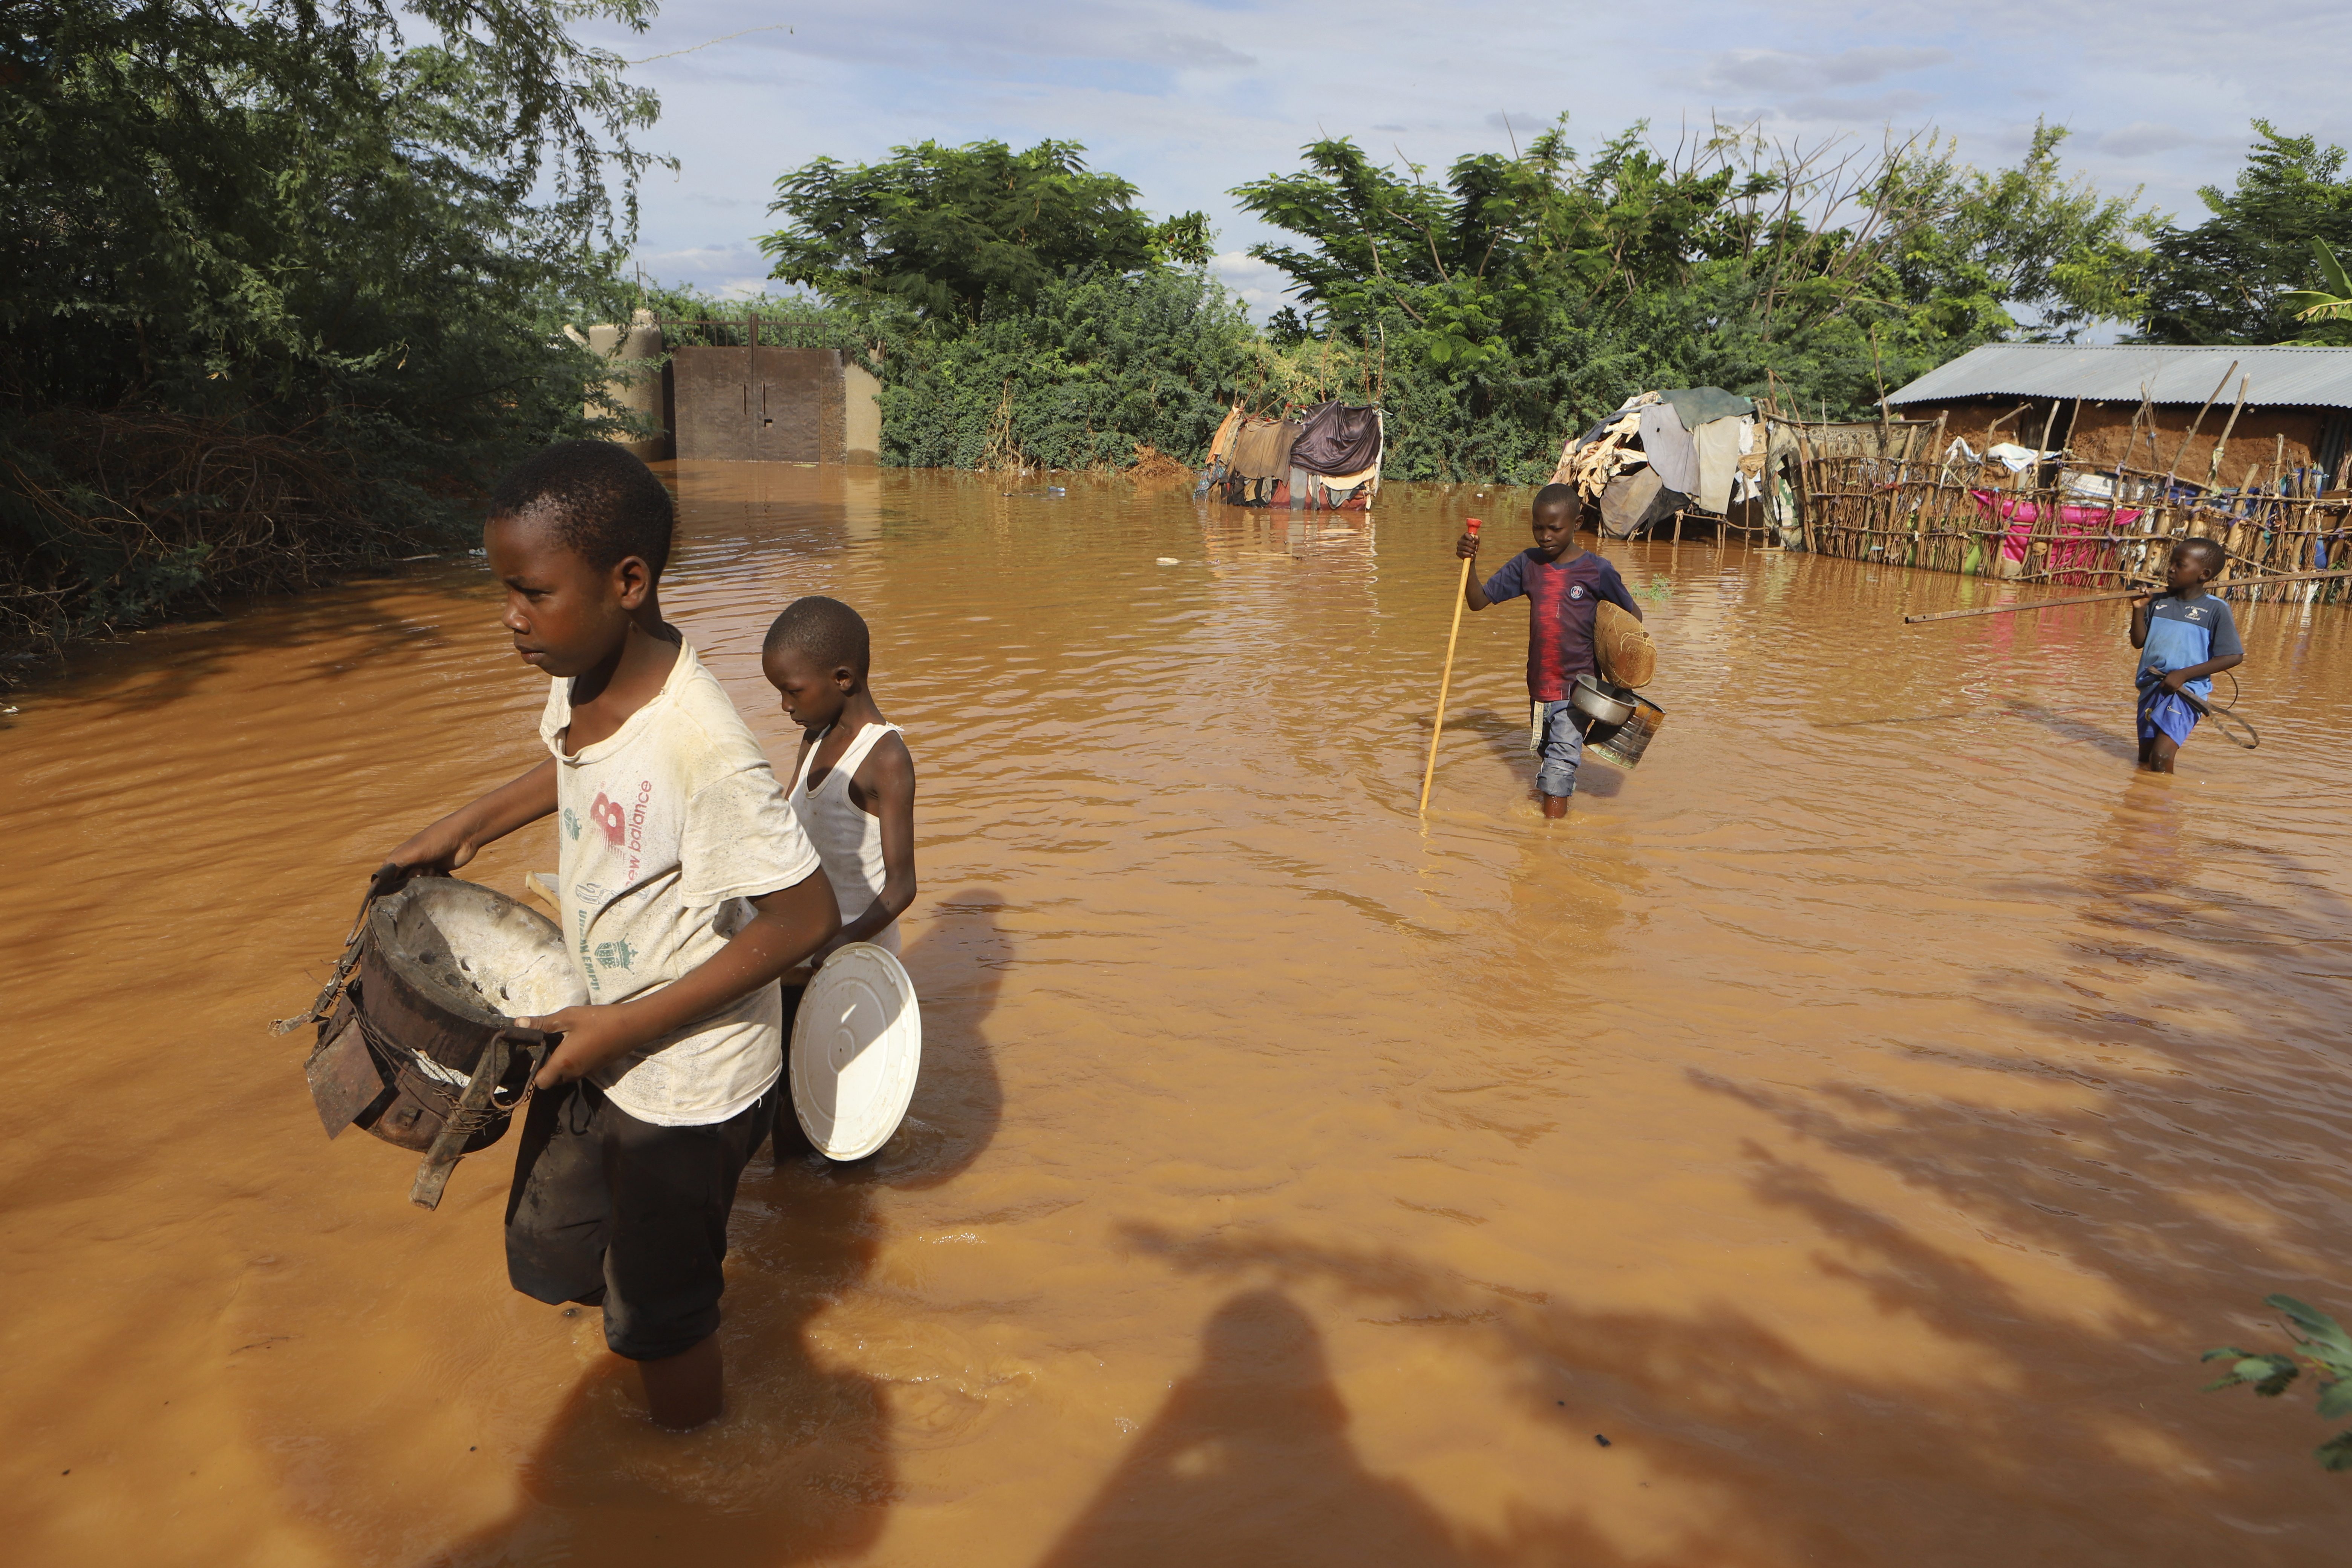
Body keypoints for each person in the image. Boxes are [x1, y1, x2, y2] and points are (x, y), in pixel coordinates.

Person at [374, 440, 840, 1431]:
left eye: (531, 592)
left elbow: (807, 920)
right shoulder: (582, 672)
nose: (511, 616)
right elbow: (572, 762)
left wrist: (623, 1031)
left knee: (664, 1318)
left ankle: (690, 1477)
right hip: (597, 1031)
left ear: (628, 582)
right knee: (553, 1251)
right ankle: (631, 1331)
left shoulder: (703, 746)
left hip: (688, 1078)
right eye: (503, 588)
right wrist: (462, 827)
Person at [761, 596, 918, 1035]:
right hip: (806, 942)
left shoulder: (885, 758)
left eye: (793, 690)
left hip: (851, 956)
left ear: (843, 678)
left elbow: (902, 885)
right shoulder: (815, 736)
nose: (784, 705)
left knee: (837, 1071)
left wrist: (844, 942)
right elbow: (788, 821)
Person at [1454, 483, 1644, 818]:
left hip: (1578, 692)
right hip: (1539, 686)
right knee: (1549, 757)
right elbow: (1478, 601)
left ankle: (1550, 843)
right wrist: (1470, 561)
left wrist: (1620, 676)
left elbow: (1632, 622)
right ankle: (1555, 814)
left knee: (1558, 769)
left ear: (1577, 523)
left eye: (1554, 528)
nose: (1545, 536)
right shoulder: (1528, 565)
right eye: (1538, 527)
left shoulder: (1597, 571)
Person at [2128, 536, 2245, 774]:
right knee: (2144, 758)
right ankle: (2141, 805)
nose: (2170, 569)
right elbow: (2139, 642)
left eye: (2180, 565)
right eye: (2171, 562)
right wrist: (2139, 610)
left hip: (2186, 691)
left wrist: (2183, 675)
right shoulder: (2157, 601)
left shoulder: (2215, 610)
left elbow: (2233, 656)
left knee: (2161, 757)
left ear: (2204, 574)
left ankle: (2162, 807)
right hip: (2153, 687)